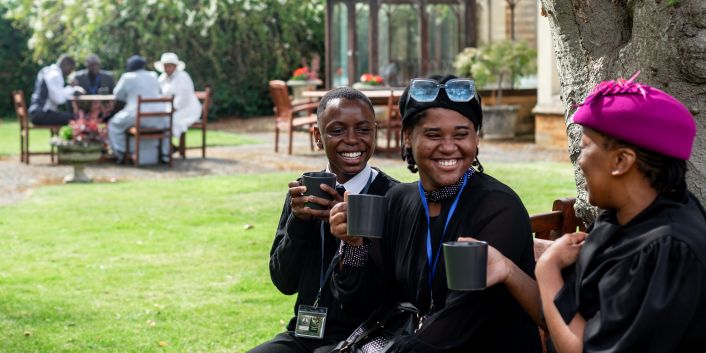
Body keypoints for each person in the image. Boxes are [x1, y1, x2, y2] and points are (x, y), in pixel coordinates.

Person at [478, 74, 706, 353]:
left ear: (622, 161)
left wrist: (548, 269)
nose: (578, 157)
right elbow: (562, 312)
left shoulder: (667, 249)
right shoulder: (622, 219)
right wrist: (510, 267)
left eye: (585, 146)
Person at [329, 75, 542, 352]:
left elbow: (461, 322)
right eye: (433, 134)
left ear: (476, 139)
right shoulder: (397, 201)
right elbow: (361, 303)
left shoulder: (498, 208)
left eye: (461, 134)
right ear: (408, 137)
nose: (449, 146)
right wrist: (354, 246)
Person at [248, 87, 399, 353]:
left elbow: (392, 292)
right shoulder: (304, 193)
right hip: (305, 333)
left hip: (369, 337)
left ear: (375, 132)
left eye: (363, 130)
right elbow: (284, 282)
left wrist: (355, 239)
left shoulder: (393, 197)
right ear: (318, 137)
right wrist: (298, 223)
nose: (352, 140)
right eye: (337, 130)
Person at [108, 55, 169, 164]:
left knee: (113, 125)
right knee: (167, 126)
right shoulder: (154, 75)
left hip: (137, 115)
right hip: (158, 116)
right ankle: (165, 154)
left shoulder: (127, 77)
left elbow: (118, 95)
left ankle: (121, 152)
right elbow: (160, 92)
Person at [154, 52, 201, 138]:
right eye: (165, 66)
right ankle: (163, 147)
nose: (167, 68)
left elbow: (184, 98)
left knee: (170, 121)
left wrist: (173, 109)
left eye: (169, 66)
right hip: (167, 109)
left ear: (175, 66)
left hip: (186, 109)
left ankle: (168, 147)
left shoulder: (183, 77)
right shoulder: (162, 78)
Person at [28, 54, 83, 126]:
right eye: (71, 69)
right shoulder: (55, 75)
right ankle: (73, 137)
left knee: (69, 116)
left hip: (37, 113)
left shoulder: (47, 70)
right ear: (65, 65)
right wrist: (71, 88)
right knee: (76, 118)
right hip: (41, 114)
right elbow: (59, 99)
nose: (70, 72)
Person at [71, 54, 116, 121]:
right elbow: (72, 92)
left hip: (104, 109)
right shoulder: (78, 77)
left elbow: (115, 94)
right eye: (92, 65)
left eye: (97, 64)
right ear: (87, 65)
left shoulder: (108, 77)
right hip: (85, 109)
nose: (95, 67)